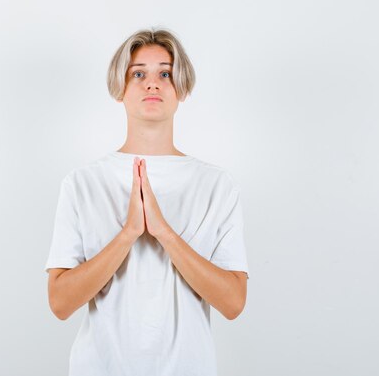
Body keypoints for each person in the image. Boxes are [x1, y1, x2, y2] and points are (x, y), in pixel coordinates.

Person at [44, 27, 250, 376]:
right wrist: (128, 233)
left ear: (180, 88)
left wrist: (164, 233)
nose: (152, 84)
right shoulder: (82, 184)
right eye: (138, 73)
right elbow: (60, 303)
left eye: (165, 74)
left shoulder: (216, 185)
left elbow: (233, 303)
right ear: (119, 88)